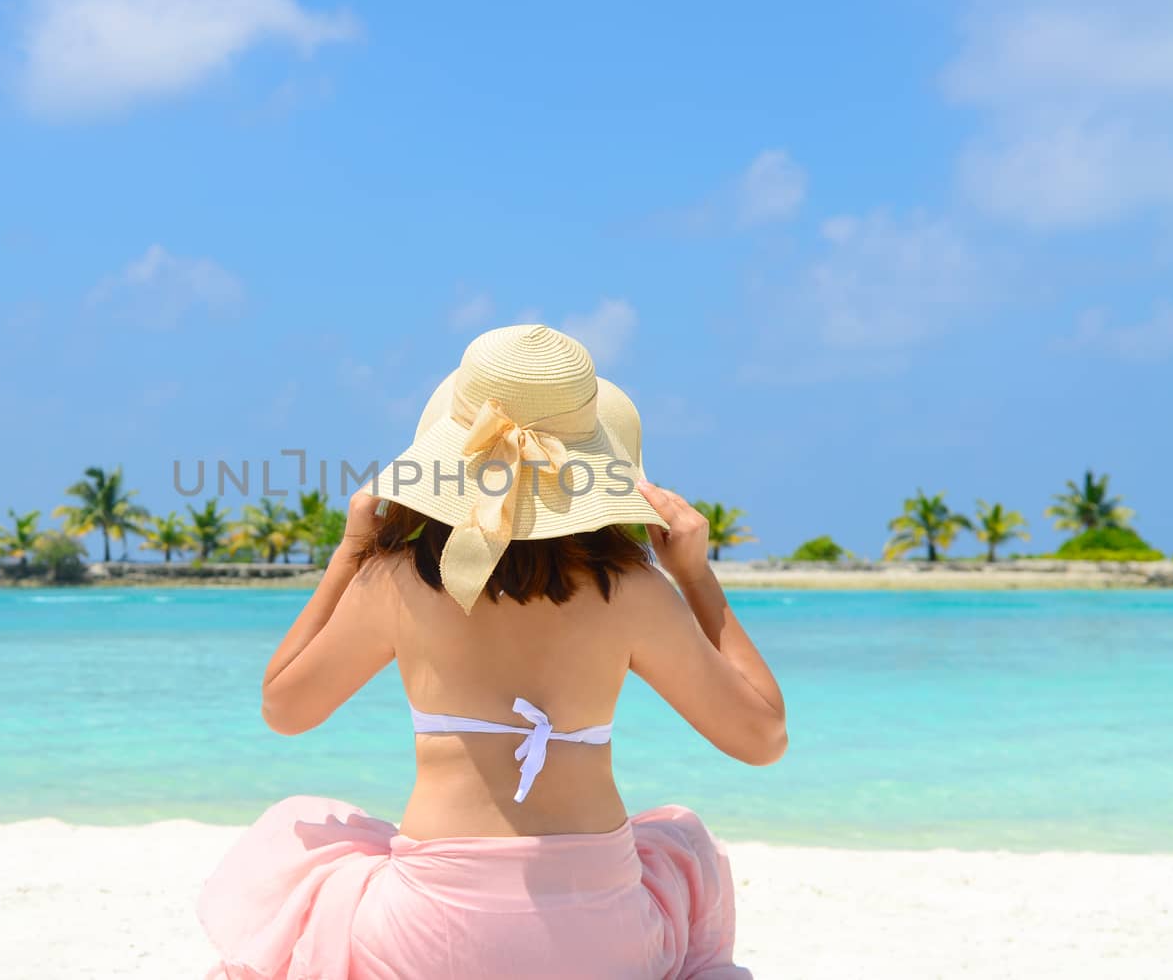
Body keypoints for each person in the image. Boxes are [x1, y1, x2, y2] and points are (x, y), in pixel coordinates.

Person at [198, 324, 785, 979]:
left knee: (298, 832)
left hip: (431, 938)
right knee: (681, 846)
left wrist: (350, 553)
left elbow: (284, 706)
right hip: (603, 943)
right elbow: (763, 738)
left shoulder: (397, 580)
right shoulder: (633, 590)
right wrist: (696, 576)